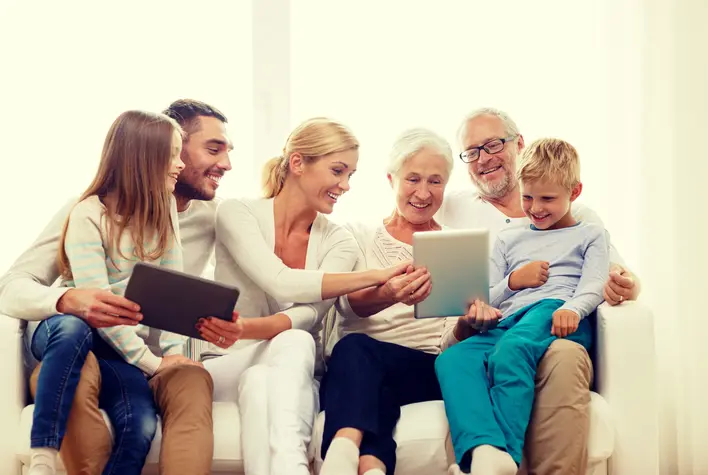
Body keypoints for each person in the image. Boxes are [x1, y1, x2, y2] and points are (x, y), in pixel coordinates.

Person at [0, 99, 233, 475]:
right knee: (73, 356)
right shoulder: (86, 211)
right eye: (212, 149)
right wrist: (66, 299)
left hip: (153, 359)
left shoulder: (217, 215)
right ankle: (53, 454)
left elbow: (271, 252)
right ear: (153, 152)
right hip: (93, 342)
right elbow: (10, 288)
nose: (226, 164)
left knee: (171, 396)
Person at [193, 117, 410, 475]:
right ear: (297, 163)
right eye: (338, 171)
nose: (345, 185)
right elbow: (281, 282)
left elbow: (308, 314)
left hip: (293, 374)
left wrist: (246, 327)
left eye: (351, 175)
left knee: (268, 374)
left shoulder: (340, 240)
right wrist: (375, 275)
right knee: (292, 342)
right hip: (228, 362)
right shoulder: (237, 212)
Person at [439, 108, 641, 475]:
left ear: (517, 145)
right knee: (453, 359)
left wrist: (581, 307)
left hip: (556, 313)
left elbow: (600, 280)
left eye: (493, 145)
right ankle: (485, 452)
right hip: (511, 319)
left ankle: (507, 457)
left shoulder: (588, 229)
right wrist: (514, 282)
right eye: (528, 199)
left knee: (513, 350)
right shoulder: (504, 235)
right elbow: (491, 295)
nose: (533, 209)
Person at [316, 128, 462, 475]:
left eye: (435, 181)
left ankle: (339, 457)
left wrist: (473, 318)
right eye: (412, 179)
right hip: (360, 366)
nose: (423, 193)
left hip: (425, 368)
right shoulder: (356, 234)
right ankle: (371, 469)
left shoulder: (455, 246)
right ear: (391, 179)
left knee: (357, 354)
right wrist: (389, 294)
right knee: (362, 366)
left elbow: (453, 338)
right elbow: (346, 304)